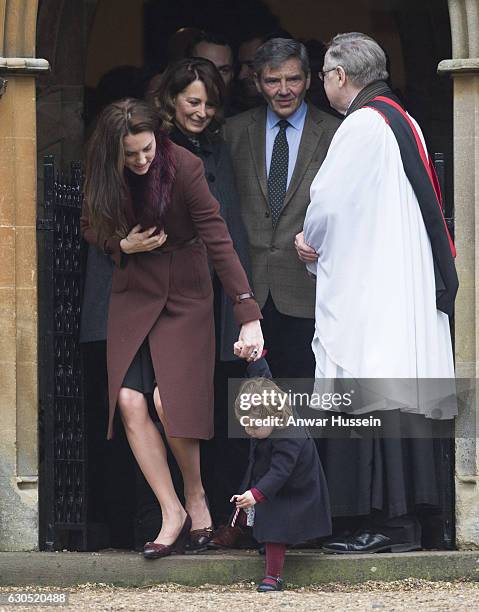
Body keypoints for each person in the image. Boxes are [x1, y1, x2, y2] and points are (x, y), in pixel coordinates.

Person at [80, 98, 264, 559]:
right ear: (113, 151)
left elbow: (218, 237)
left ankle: (196, 494)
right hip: (134, 290)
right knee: (127, 399)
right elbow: (89, 225)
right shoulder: (103, 169)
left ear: (157, 139)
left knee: (168, 399)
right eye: (131, 155)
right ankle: (172, 512)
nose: (142, 161)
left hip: (185, 289)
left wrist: (247, 311)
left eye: (146, 150)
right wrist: (120, 243)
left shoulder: (184, 165)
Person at [300, 32, 458, 553]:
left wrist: (308, 242)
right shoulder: (400, 117)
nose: (322, 84)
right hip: (397, 280)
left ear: (340, 77)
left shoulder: (363, 124)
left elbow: (327, 201)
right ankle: (408, 523)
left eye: (323, 75)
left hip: (373, 288)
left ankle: (379, 523)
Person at [149, 58, 253, 528]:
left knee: (207, 401)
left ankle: (212, 511)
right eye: (193, 101)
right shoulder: (150, 150)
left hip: (211, 294)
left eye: (211, 103)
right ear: (171, 99)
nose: (203, 111)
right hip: (164, 294)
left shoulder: (214, 146)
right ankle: (174, 509)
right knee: (161, 400)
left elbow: (223, 226)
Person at [224, 38, 341, 379]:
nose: (284, 89)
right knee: (248, 409)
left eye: (293, 79)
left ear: (309, 79)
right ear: (257, 82)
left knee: (305, 400)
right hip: (247, 294)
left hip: (310, 292)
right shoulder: (232, 132)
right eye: (273, 80)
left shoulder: (336, 133)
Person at [232, 373, 331, 592]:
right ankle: (267, 544)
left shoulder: (290, 436)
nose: (249, 431)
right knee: (261, 519)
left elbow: (280, 472)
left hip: (296, 491)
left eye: (255, 427)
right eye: (245, 426)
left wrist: (256, 494)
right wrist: (255, 356)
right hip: (276, 485)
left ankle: (273, 576)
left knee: (274, 524)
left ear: (274, 417)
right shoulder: (271, 411)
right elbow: (263, 376)